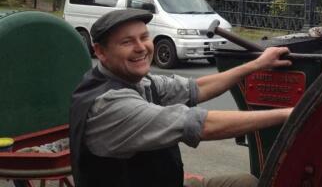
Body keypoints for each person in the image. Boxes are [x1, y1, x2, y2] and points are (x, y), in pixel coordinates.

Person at [69, 9, 293, 187]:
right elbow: (201, 125)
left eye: (144, 37)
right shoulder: (108, 104)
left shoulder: (140, 81)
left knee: (245, 183)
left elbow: (197, 87)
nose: (141, 48)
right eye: (127, 42)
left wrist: (257, 64)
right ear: (100, 52)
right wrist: (292, 114)